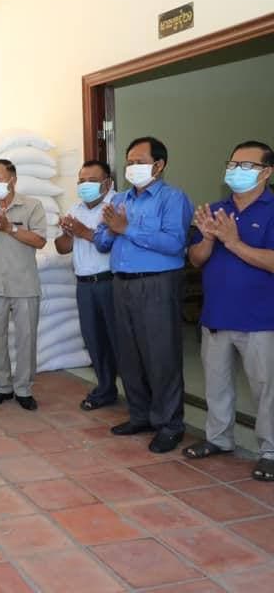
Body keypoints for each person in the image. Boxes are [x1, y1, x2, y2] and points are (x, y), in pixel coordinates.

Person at [94, 136, 194, 453]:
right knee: (129, 354)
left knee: (161, 355)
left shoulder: (173, 198)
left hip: (157, 283)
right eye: (129, 162)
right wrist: (110, 229)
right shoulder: (120, 198)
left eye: (139, 162)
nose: (132, 167)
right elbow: (101, 242)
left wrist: (127, 229)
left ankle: (170, 425)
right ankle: (140, 415)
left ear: (159, 165)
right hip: (121, 282)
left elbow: (175, 243)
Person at [183, 141, 274, 481]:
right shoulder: (215, 209)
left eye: (246, 166)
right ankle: (218, 439)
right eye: (233, 164)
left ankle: (270, 451)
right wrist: (208, 238)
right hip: (216, 316)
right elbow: (196, 259)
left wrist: (234, 242)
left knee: (266, 391)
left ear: (266, 172)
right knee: (216, 384)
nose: (236, 171)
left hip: (261, 319)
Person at [0, 159, 48, 410]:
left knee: (26, 339)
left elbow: (39, 241)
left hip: (24, 284)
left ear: (13, 179)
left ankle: (24, 389)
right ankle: (2, 387)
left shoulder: (32, 206)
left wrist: (9, 227)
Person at [55, 160, 119, 411]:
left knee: (119, 340)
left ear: (107, 183)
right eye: (81, 181)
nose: (85, 185)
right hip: (84, 284)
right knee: (93, 338)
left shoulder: (117, 205)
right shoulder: (76, 208)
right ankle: (105, 388)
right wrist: (67, 233)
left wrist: (82, 231)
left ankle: (138, 396)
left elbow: (113, 242)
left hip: (110, 281)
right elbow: (62, 248)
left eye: (92, 180)